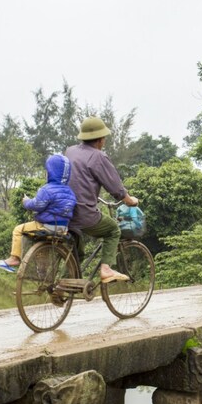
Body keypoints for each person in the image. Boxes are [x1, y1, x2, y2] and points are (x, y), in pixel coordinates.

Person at [65, 117, 139, 283]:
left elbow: (77, 180)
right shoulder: (98, 156)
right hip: (83, 214)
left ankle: (62, 286)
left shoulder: (70, 151)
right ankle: (106, 269)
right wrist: (129, 200)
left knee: (77, 253)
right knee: (113, 230)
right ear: (100, 139)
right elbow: (116, 188)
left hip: (63, 212)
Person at [0, 153, 77, 273]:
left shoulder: (47, 189)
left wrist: (26, 201)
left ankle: (14, 259)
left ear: (51, 172)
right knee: (44, 244)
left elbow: (37, 205)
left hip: (46, 226)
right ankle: (42, 272)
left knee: (18, 229)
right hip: (62, 229)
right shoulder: (70, 192)